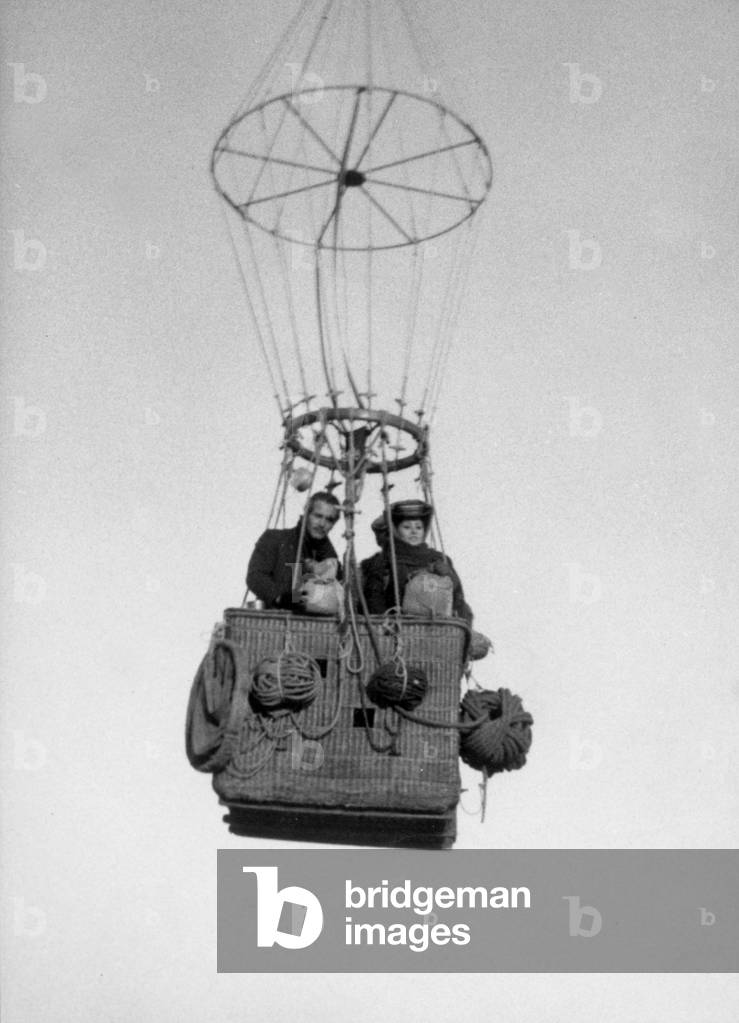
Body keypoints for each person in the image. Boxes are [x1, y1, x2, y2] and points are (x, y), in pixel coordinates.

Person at [362, 500, 472, 623]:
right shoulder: (383, 561)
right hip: (396, 630)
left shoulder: (438, 559)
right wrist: (385, 627)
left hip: (440, 631)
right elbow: (374, 599)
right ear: (396, 531)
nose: (414, 531)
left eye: (418, 527)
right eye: (407, 527)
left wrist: (450, 576)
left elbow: (458, 599)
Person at [246, 492, 341, 611]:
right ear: (306, 514)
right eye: (318, 516)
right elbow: (256, 577)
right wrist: (280, 598)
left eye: (329, 520)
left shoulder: (331, 560)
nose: (322, 524)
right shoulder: (275, 539)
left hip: (315, 626)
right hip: (274, 622)